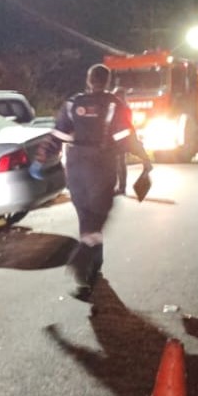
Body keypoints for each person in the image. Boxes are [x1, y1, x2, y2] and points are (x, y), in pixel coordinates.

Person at [39, 63, 152, 301]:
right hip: (102, 167)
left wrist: (42, 157)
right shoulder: (114, 105)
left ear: (89, 81)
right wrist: (144, 158)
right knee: (97, 220)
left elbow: (58, 135)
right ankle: (84, 262)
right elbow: (127, 137)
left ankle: (91, 268)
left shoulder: (73, 104)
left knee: (86, 218)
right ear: (107, 81)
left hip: (77, 168)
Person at [111, 85, 129, 195]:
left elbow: (124, 125)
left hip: (120, 139)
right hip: (119, 138)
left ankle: (122, 187)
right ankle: (121, 187)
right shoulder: (121, 107)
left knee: (120, 163)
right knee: (119, 163)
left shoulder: (122, 108)